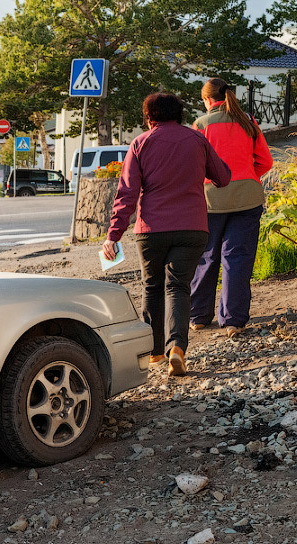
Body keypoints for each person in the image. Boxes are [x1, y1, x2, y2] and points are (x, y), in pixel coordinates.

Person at [102, 92, 231, 377]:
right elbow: (222, 178)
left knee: (152, 288)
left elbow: (127, 193)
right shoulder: (197, 139)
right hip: (192, 227)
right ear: (180, 114)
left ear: (149, 117)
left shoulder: (141, 143)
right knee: (179, 287)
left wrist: (114, 234)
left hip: (151, 230)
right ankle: (178, 349)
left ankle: (155, 351)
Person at [189, 78, 274, 337]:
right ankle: (233, 320)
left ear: (206, 100)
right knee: (237, 258)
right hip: (247, 197)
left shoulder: (200, 125)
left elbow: (193, 166)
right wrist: (247, 174)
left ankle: (198, 316)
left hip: (210, 200)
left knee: (206, 256)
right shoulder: (248, 121)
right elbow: (265, 162)